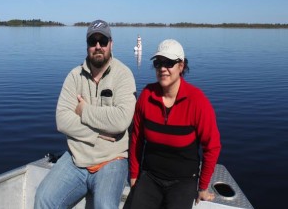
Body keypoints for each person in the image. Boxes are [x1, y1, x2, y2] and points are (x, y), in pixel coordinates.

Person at [34, 19, 136, 209]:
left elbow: (121, 120)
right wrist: (97, 134)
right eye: (92, 41)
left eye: (103, 41)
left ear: (111, 44)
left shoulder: (123, 75)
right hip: (75, 159)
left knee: (105, 206)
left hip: (111, 160)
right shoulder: (74, 76)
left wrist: (84, 110)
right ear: (87, 45)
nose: (98, 46)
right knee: (43, 199)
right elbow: (62, 119)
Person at [127, 39, 221, 209]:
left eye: (169, 63)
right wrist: (134, 175)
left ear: (181, 66)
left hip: (183, 180)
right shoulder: (147, 96)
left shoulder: (197, 101)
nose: (163, 68)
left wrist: (203, 186)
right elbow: (136, 139)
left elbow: (212, 146)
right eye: (158, 63)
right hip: (151, 176)